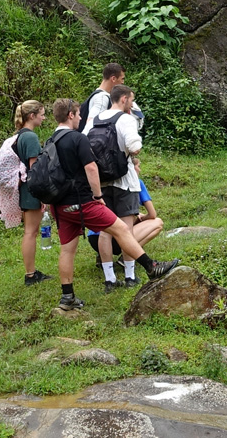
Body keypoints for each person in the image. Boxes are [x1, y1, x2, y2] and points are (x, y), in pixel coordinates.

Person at [43, 97, 164, 310]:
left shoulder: (50, 140)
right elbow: (91, 168)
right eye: (79, 114)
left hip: (60, 206)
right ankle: (151, 266)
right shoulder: (77, 138)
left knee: (67, 250)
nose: (81, 118)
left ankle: (67, 297)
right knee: (121, 229)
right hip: (82, 202)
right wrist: (98, 197)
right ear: (70, 115)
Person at [90, 85, 165, 290]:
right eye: (131, 100)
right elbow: (134, 146)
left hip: (102, 181)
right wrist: (134, 148)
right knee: (126, 228)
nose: (132, 104)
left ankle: (110, 280)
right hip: (124, 181)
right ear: (123, 99)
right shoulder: (125, 119)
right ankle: (131, 276)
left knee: (106, 231)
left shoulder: (95, 119)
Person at [0, 100, 51, 286]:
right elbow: (34, 170)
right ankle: (31, 275)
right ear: (31, 116)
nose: (44, 117)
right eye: (41, 113)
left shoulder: (18, 136)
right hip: (31, 191)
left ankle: (30, 273)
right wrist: (43, 196)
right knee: (31, 232)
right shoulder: (31, 138)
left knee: (28, 232)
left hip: (23, 190)